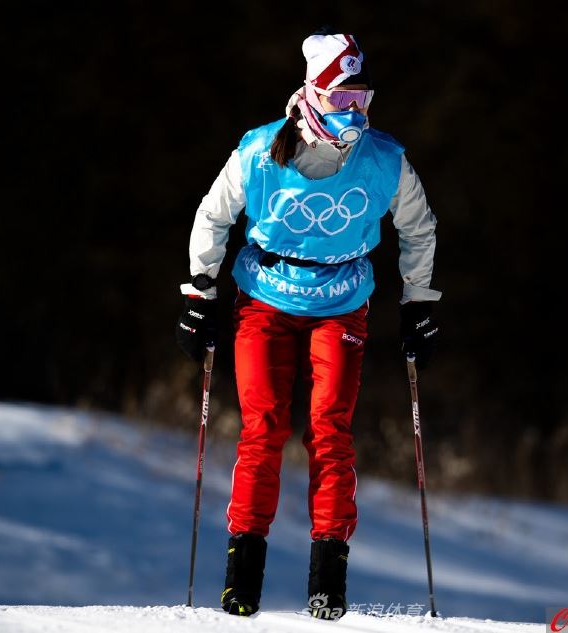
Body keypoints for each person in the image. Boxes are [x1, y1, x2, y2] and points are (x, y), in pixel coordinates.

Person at [174, 28, 441, 620]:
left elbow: (419, 226)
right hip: (266, 298)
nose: (355, 112)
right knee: (263, 426)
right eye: (342, 99)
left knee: (329, 429)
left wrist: (419, 299)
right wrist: (200, 291)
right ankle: (243, 571)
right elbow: (213, 215)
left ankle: (328, 575)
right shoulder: (261, 149)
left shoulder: (384, 159)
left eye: (363, 99)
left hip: (342, 299)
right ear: (313, 95)